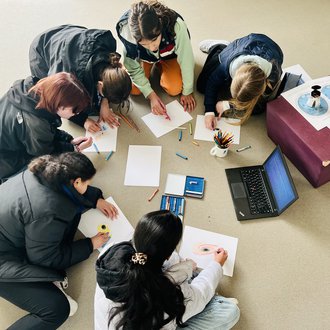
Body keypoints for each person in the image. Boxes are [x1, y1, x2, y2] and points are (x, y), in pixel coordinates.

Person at [0, 152, 118, 329]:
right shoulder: (48, 210)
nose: (88, 186)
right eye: (88, 184)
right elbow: (45, 259)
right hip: (3, 260)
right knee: (59, 308)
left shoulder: (44, 168)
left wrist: (95, 199)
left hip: (8, 235)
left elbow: (71, 193)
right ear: (77, 182)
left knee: (71, 217)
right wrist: (90, 244)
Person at [95, 210, 240, 330]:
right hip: (154, 320)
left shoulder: (109, 254)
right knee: (230, 311)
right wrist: (216, 264)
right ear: (168, 255)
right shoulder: (170, 295)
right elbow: (201, 294)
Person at [29, 24, 132, 132]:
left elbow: (109, 84)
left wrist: (104, 103)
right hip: (41, 50)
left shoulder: (110, 60)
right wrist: (84, 121)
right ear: (100, 84)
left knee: (93, 104)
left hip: (69, 35)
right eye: (104, 95)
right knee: (81, 105)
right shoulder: (70, 77)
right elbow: (62, 106)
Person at [0, 72, 93, 182]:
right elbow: (44, 155)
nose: (76, 114)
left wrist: (69, 140)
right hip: (7, 162)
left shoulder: (31, 89)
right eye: (75, 110)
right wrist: (74, 149)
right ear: (61, 106)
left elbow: (48, 130)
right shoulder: (36, 124)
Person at [116, 0, 196, 117]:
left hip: (169, 56)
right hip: (145, 59)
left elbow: (187, 60)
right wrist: (151, 95)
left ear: (160, 25)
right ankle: (150, 65)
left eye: (154, 40)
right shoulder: (128, 34)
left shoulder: (176, 26)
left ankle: (160, 65)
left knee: (174, 89)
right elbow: (132, 67)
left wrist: (188, 91)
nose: (152, 47)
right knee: (133, 89)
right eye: (144, 44)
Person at [197, 33, 284, 129]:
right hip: (239, 47)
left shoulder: (273, 76)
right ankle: (221, 46)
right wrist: (209, 111)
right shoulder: (227, 65)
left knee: (257, 109)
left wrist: (228, 104)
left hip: (272, 52)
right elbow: (212, 82)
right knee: (202, 85)